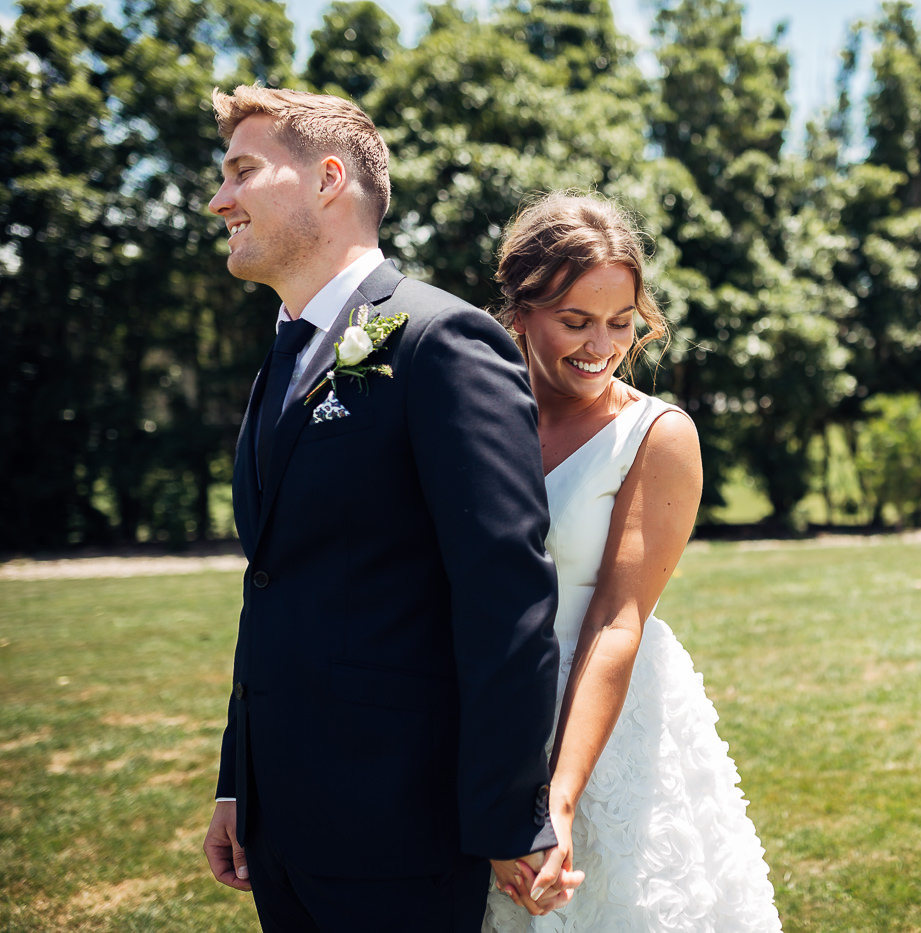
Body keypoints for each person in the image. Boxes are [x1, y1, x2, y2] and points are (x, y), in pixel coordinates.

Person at [199, 85, 577, 930]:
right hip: (281, 821)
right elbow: (272, 585)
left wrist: (508, 814)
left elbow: (505, 592)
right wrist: (239, 780)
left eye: (242, 171)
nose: (219, 198)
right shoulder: (281, 358)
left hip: (397, 825)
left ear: (328, 178)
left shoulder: (442, 341)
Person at [481, 191, 783, 932]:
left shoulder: (656, 433)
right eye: (575, 321)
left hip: (605, 721)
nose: (601, 345)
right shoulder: (471, 412)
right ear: (520, 310)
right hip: (478, 711)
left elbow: (619, 620)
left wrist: (559, 793)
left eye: (622, 322)